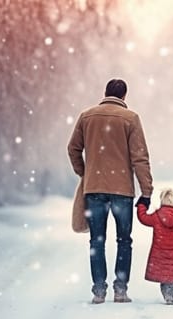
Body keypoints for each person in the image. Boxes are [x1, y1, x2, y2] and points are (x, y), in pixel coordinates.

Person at [67, 78, 153, 304]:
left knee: (97, 241)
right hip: (122, 190)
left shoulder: (87, 116)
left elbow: (73, 148)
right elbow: (140, 157)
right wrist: (147, 191)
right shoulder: (131, 119)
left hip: (94, 188)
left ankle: (98, 290)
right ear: (124, 96)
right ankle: (120, 289)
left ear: (105, 92)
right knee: (124, 240)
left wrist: (84, 173)